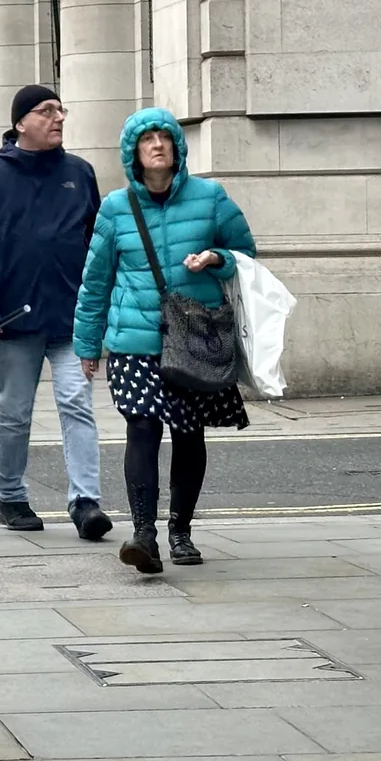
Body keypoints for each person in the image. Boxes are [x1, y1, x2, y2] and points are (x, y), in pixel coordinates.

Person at [74, 108, 256, 573]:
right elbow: (96, 281)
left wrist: (215, 258)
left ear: (178, 147)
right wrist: (88, 344)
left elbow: (245, 256)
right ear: (133, 153)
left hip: (193, 337)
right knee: (142, 428)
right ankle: (143, 535)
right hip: (135, 341)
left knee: (188, 434)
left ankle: (181, 531)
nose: (157, 144)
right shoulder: (115, 208)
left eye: (165, 137)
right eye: (147, 139)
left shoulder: (211, 198)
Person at [0, 85, 110, 539]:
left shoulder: (79, 173)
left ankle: (86, 502)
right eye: (47, 111)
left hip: (70, 319)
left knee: (77, 404)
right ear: (21, 122)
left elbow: (96, 248)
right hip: (13, 323)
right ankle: (11, 497)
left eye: (61, 109)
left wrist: (96, 311)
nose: (58, 117)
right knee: (15, 411)